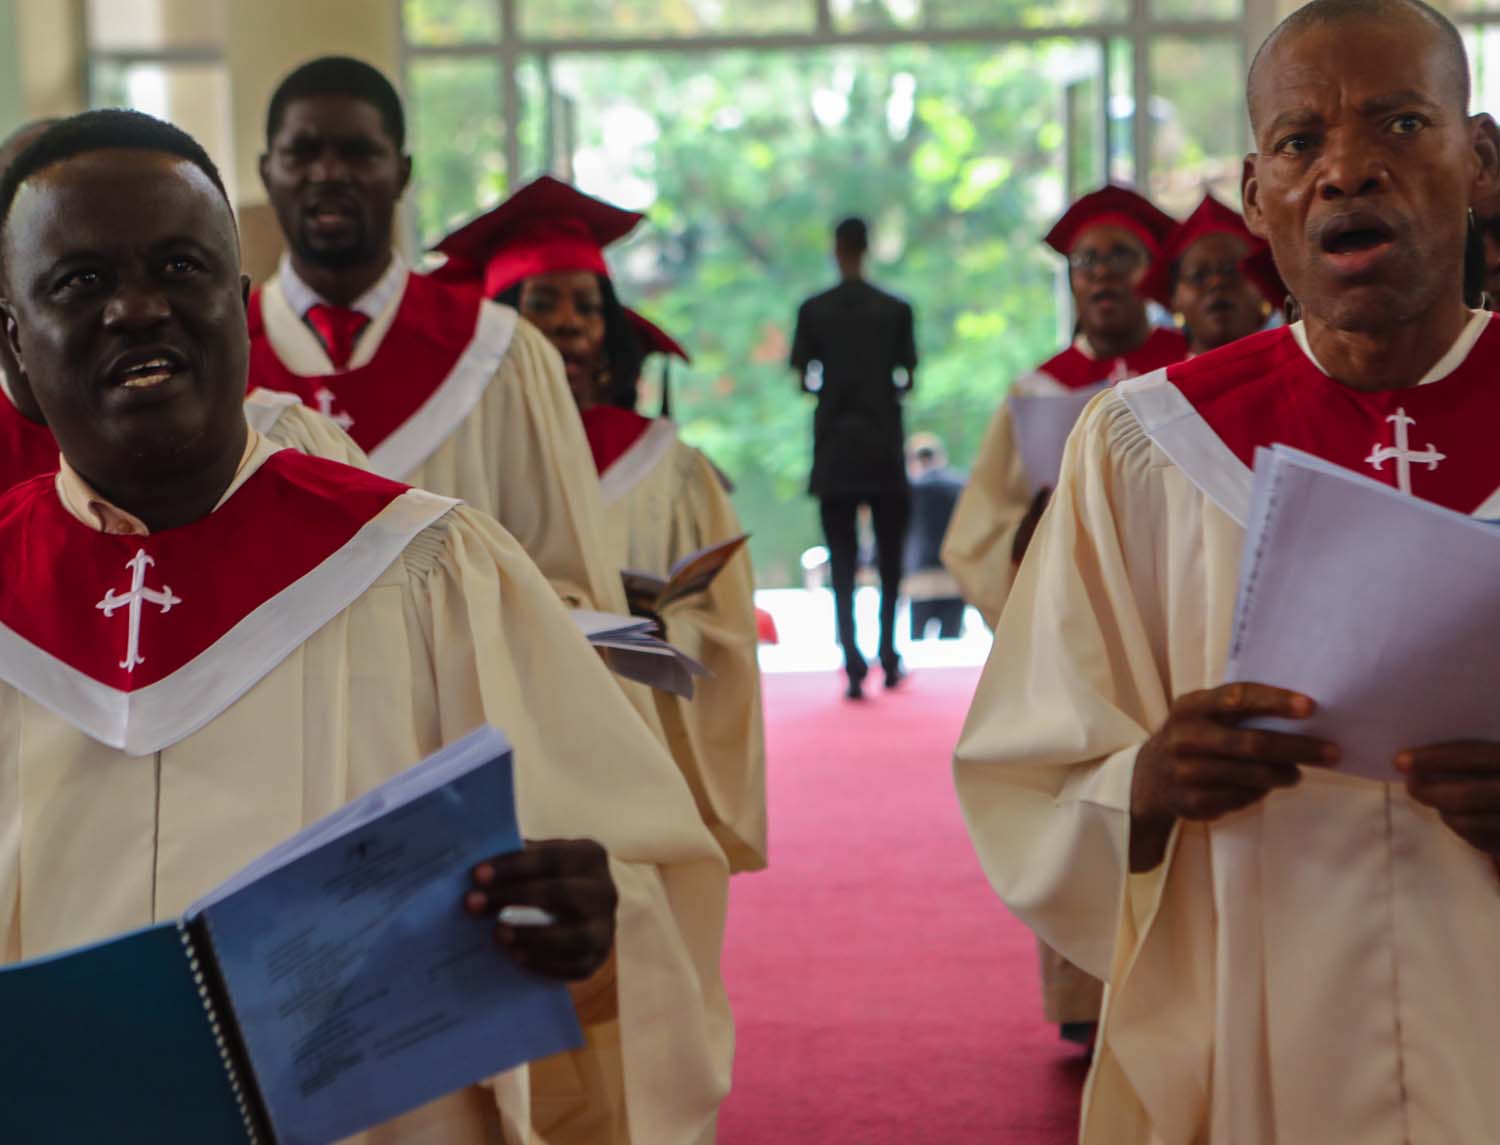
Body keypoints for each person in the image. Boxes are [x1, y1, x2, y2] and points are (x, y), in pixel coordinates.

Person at [0, 110, 731, 1144]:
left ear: (239, 311)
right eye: (76, 282)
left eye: (181, 265)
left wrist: (594, 926)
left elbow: (642, 884)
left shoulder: (428, 569)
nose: (137, 307)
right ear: (15, 350)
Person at [955, 1, 1500, 1138]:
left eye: (1401, 123)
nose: (1350, 169)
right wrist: (1143, 787)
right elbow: (1033, 766)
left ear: (1481, 161)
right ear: (1259, 198)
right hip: (1260, 1026)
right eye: (1302, 142)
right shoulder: (1151, 444)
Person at [246, 60, 731, 1144]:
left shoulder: (495, 355)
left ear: (401, 171)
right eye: (304, 152)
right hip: (267, 803)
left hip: (456, 786)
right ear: (266, 172)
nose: (329, 174)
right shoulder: (212, 356)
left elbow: (566, 579)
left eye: (356, 151)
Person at [433, 177, 768, 878]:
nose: (568, 324)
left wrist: (664, 626)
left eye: (587, 306)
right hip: (497, 729)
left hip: (635, 731)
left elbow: (727, 619)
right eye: (543, 303)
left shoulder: (664, 464)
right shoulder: (455, 454)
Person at [942, 185, 1188, 634]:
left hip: (1179, 596)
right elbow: (975, 535)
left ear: (1150, 272)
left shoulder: (1195, 368)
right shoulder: (1037, 391)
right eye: (1086, 261)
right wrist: (1023, 534)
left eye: (1120, 257)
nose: (1101, 274)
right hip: (1075, 609)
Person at [790, 216, 917, 700]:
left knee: (841, 563)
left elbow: (804, 379)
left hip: (836, 448)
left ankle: (853, 661)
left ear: (837, 248)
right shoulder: (895, 310)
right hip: (883, 446)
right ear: (867, 248)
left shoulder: (814, 310)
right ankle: (888, 653)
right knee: (890, 561)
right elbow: (908, 377)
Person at [1140, 193, 1286, 356]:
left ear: (1264, 288)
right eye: (1198, 275)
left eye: (1233, 270)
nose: (1216, 282)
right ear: (1174, 299)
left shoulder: (1298, 376)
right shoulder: (1156, 380)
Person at [902, 433, 966, 641]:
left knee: (917, 643)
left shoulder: (909, 490)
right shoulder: (962, 486)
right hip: (954, 573)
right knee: (951, 646)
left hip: (919, 575)